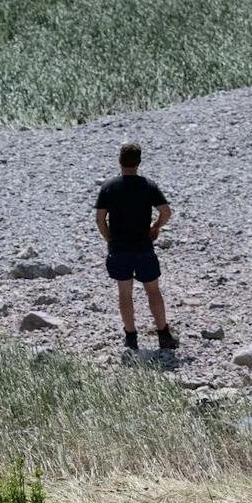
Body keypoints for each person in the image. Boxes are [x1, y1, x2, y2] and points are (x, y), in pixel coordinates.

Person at [94, 142, 176, 352]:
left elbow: (100, 219)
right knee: (153, 291)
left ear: (119, 161)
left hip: (119, 248)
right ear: (139, 162)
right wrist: (155, 226)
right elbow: (166, 211)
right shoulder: (147, 185)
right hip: (143, 247)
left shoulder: (109, 187)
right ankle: (163, 334)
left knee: (125, 293)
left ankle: (131, 337)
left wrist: (109, 239)